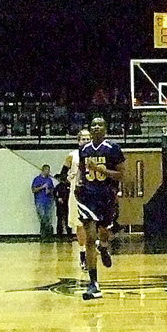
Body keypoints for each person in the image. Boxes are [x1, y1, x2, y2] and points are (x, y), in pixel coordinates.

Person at [76, 116, 125, 300]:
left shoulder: (113, 149)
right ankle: (93, 283)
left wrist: (101, 169)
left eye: (99, 124)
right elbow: (83, 170)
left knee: (104, 231)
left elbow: (121, 175)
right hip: (88, 196)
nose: (96, 127)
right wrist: (80, 185)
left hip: (106, 196)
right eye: (93, 124)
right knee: (90, 238)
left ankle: (104, 247)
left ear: (105, 128)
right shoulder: (84, 150)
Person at [64, 128, 91, 269]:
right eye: (83, 139)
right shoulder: (72, 156)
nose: (86, 141)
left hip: (93, 192)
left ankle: (95, 246)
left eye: (88, 138)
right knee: (79, 224)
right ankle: (83, 253)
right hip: (77, 193)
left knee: (95, 223)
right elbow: (63, 174)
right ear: (78, 141)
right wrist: (68, 178)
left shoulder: (97, 153)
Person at [31, 163, 56, 239]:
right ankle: (43, 234)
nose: (49, 172)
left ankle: (49, 235)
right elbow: (33, 190)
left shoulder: (49, 180)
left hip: (48, 200)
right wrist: (42, 187)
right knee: (42, 217)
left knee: (48, 218)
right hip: (40, 201)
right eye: (48, 170)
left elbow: (52, 189)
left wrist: (50, 191)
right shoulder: (37, 179)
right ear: (44, 170)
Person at [54, 166, 71, 237]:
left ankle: (69, 234)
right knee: (60, 220)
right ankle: (59, 234)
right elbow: (54, 194)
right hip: (60, 205)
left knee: (68, 220)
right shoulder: (58, 186)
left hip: (67, 204)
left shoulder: (69, 186)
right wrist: (58, 198)